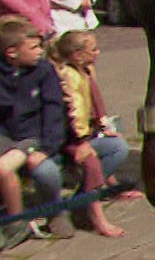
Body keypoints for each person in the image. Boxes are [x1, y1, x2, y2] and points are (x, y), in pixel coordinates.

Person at [0, 14, 74, 254]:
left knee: (3, 167)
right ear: (12, 52)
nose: (40, 51)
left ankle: (17, 221)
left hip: (31, 138)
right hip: (4, 135)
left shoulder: (44, 72)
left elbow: (55, 111)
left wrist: (47, 148)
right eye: (33, 47)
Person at [51, 29, 134, 237]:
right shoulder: (69, 76)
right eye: (93, 49)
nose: (97, 53)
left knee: (119, 147)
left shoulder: (84, 71)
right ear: (77, 55)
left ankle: (86, 197)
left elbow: (97, 105)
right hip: (69, 140)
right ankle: (96, 218)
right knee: (92, 163)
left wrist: (105, 128)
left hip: (86, 134)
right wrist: (81, 142)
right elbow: (74, 113)